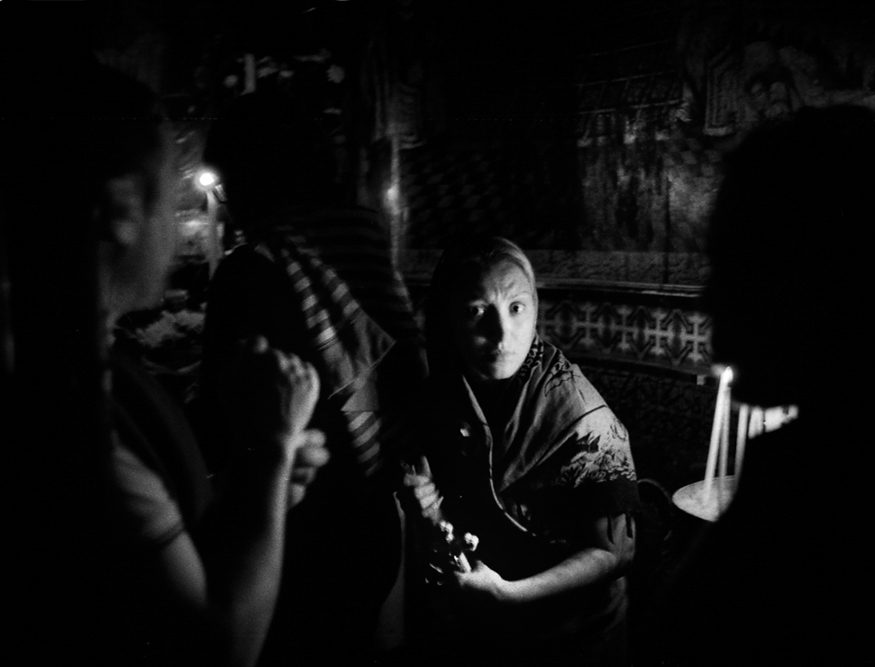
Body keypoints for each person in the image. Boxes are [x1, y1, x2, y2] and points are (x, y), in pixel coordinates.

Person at [641, 105, 875, 665]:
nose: (710, 300)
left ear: (826, 282)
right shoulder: (853, 467)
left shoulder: (868, 515)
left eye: (736, 268)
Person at [1, 61, 330, 666]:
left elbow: (139, 556)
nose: (182, 217)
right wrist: (268, 458)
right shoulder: (66, 410)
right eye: (170, 188)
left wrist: (254, 484)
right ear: (122, 206)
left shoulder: (80, 365)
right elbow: (223, 644)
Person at [200, 91, 426, 665]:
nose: (226, 205)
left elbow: (217, 432)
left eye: (226, 183)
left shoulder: (252, 271)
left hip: (289, 546)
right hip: (374, 530)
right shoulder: (365, 248)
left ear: (253, 178)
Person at [402, 236, 640, 666]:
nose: (501, 334)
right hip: (488, 630)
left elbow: (614, 552)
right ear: (446, 317)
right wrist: (430, 507)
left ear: (536, 308)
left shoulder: (579, 413)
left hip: (578, 635)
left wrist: (508, 595)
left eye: (516, 307)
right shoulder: (446, 389)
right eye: (478, 311)